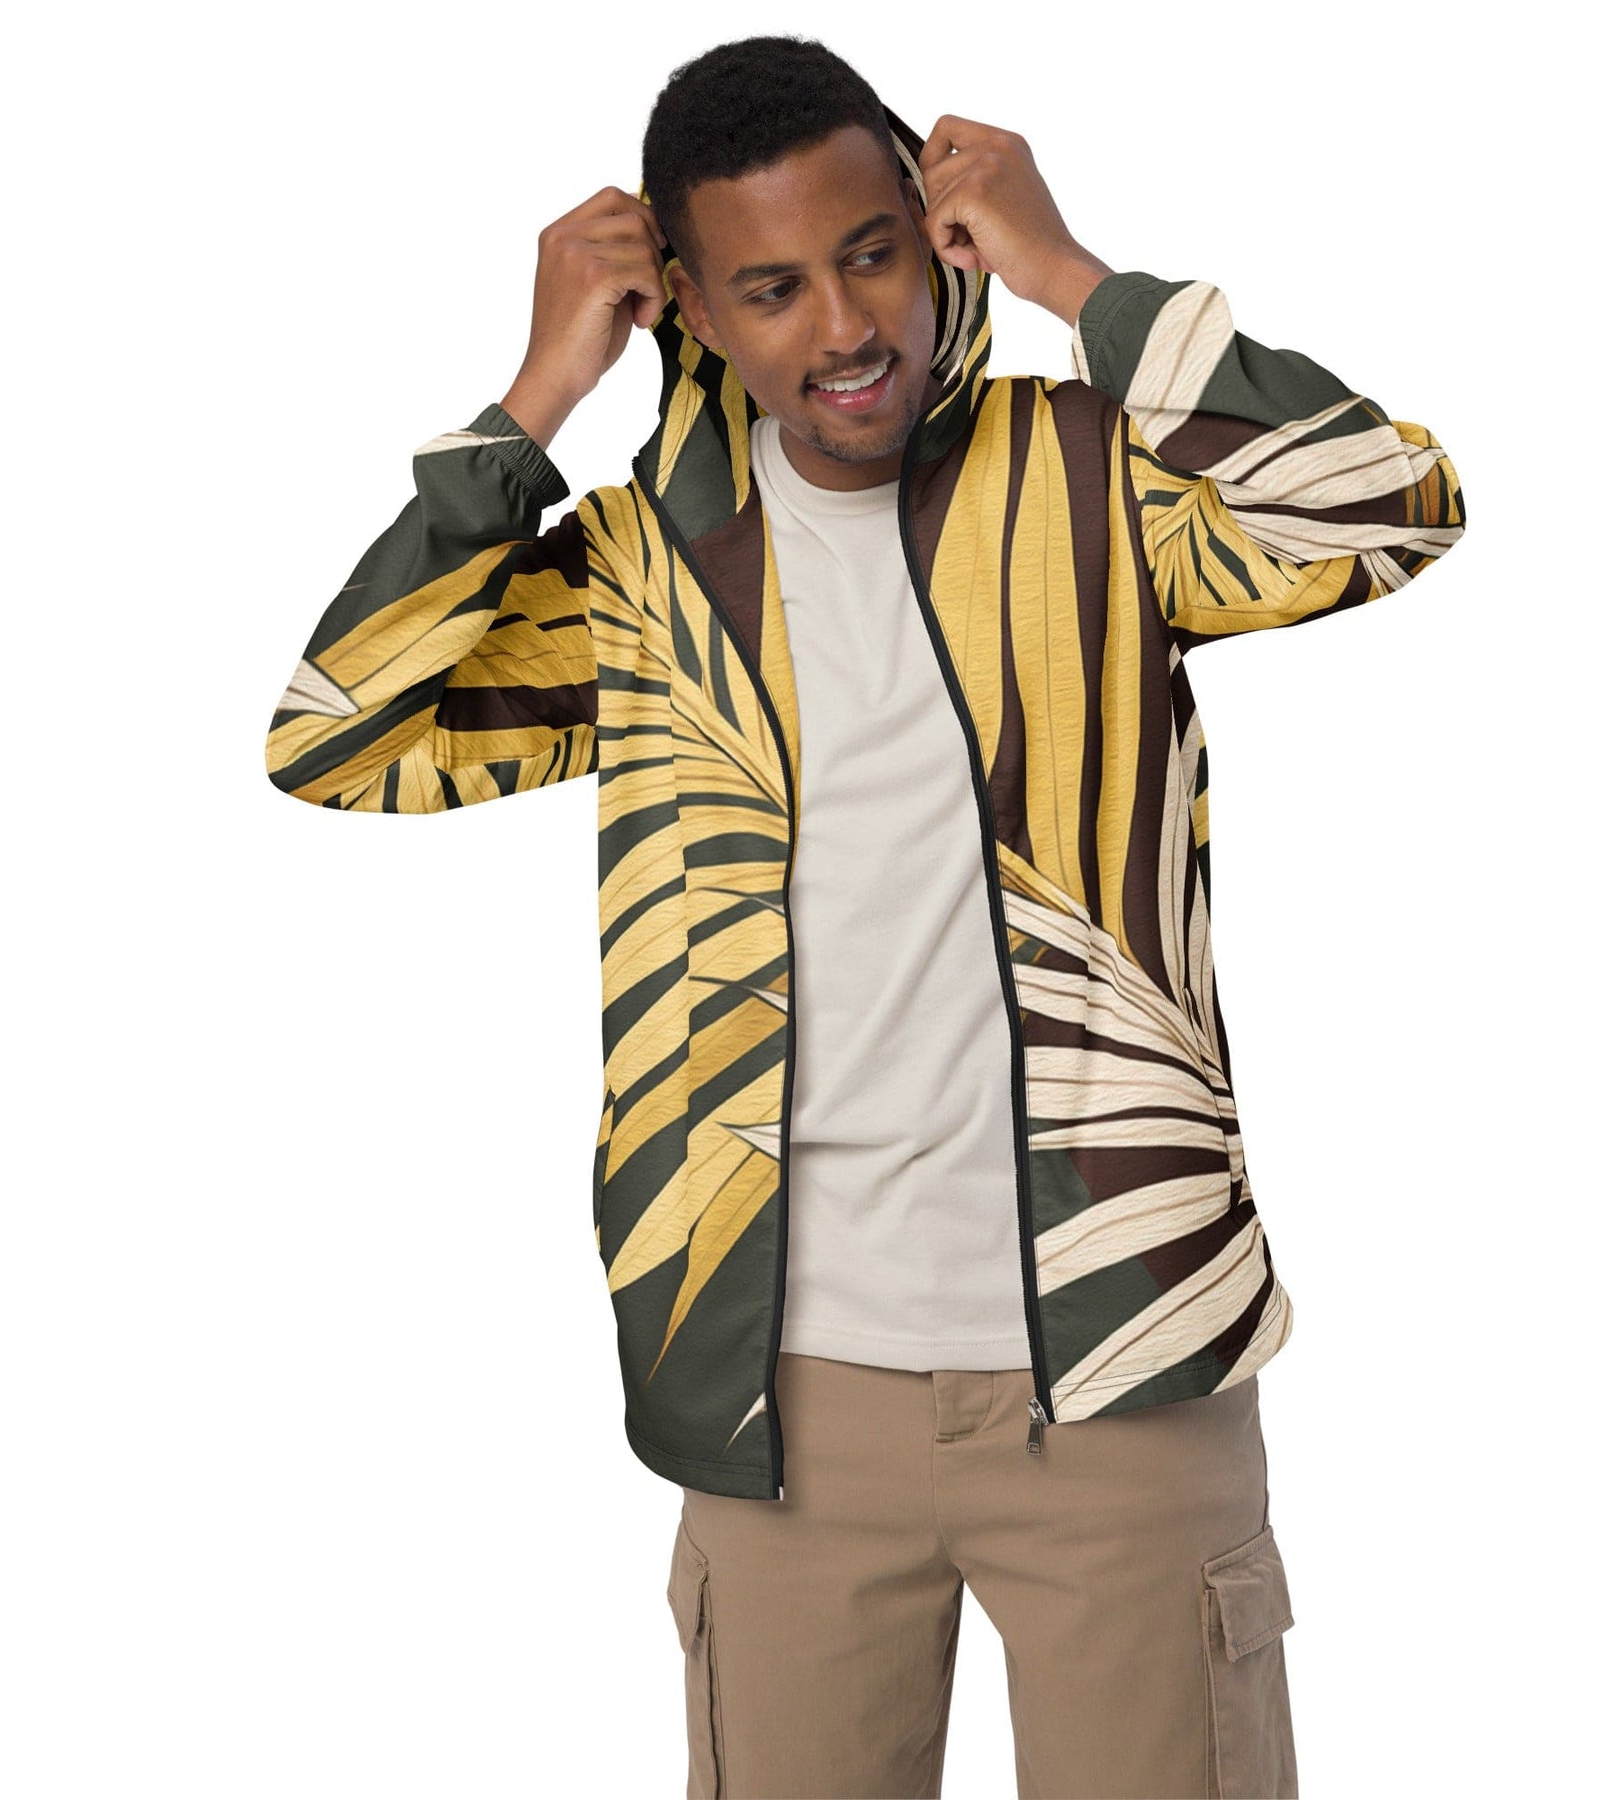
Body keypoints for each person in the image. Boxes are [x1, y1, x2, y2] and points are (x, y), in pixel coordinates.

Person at [263, 32, 1465, 1799]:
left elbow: (1392, 506)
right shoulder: (644, 573)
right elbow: (335, 735)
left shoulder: (1095, 480)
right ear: (689, 306)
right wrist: (533, 398)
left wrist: (1072, 274)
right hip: (781, 1397)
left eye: (872, 254)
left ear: (931, 226)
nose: (844, 326)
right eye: (771, 289)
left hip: (1125, 1358)